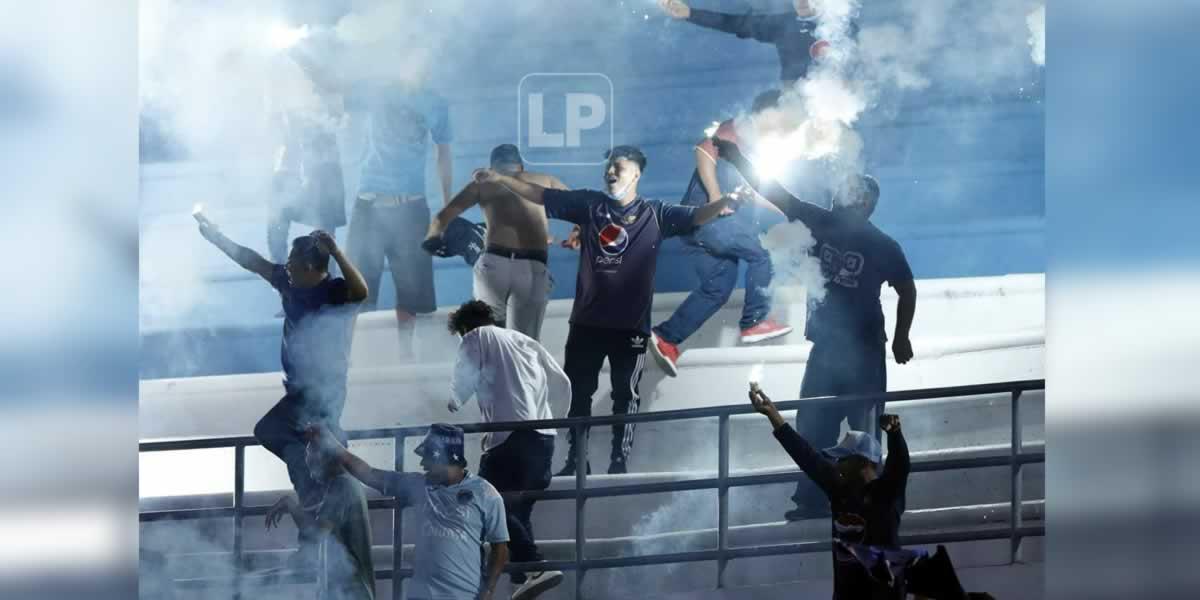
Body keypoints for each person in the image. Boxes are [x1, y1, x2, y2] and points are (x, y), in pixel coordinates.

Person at [474, 145, 744, 475]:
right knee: (578, 396)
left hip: (630, 328)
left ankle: (619, 462)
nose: (611, 172)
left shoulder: (656, 213)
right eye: (608, 167)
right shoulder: (590, 204)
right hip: (587, 323)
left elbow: (695, 216)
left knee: (625, 395)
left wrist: (722, 203)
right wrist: (501, 178)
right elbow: (539, 194)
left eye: (619, 166)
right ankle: (577, 461)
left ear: (636, 173)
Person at [715, 137, 917, 521]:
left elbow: (907, 288)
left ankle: (872, 506)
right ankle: (811, 501)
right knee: (813, 426)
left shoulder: (881, 244)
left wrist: (902, 336)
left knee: (866, 431)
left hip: (864, 351)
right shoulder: (820, 220)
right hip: (826, 347)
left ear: (867, 203)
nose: (844, 195)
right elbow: (773, 191)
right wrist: (740, 157)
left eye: (854, 193)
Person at [195, 215, 367, 553]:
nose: (285, 269)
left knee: (306, 443)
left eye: (292, 265)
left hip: (323, 392)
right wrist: (217, 237)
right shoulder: (289, 283)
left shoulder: (333, 291)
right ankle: (317, 510)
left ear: (310, 267)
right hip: (298, 391)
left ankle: (326, 520)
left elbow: (361, 290)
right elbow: (253, 261)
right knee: (286, 441)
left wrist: (336, 251)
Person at [294, 52, 454, 325]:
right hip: (369, 205)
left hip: (411, 206)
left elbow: (444, 155)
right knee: (356, 285)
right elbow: (335, 87)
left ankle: (407, 356)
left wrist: (448, 210)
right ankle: (353, 353)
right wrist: (305, 60)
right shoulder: (378, 90)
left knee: (412, 290)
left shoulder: (435, 104)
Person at [648, 90, 793, 377]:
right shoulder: (742, 127)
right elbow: (703, 150)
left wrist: (791, 211)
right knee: (762, 254)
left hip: (697, 231)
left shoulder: (753, 151)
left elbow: (752, 193)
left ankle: (666, 337)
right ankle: (754, 321)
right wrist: (715, 197)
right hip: (708, 219)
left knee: (718, 289)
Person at [446, 300, 569, 600]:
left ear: (465, 328)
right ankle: (522, 579)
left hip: (509, 438)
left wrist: (455, 399)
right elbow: (562, 381)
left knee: (483, 501)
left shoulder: (476, 337)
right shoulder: (526, 341)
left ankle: (535, 565)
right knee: (516, 513)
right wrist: (556, 422)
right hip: (543, 438)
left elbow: (463, 380)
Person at [311, 424, 510, 600]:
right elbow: (370, 474)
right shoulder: (418, 485)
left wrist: (488, 592)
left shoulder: (485, 494)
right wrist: (332, 444)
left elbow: (500, 548)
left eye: (427, 459)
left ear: (443, 459)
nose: (423, 465)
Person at [748, 383, 910, 599]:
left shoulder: (887, 492)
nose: (837, 464)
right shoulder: (840, 490)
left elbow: (900, 464)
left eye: (842, 458)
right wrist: (773, 415)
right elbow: (806, 456)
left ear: (862, 461)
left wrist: (895, 434)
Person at [425, 145, 569, 340]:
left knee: (490, 340)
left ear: (492, 167)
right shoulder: (544, 181)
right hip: (532, 266)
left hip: (494, 265)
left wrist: (432, 239)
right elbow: (581, 208)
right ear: (521, 166)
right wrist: (577, 233)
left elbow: (441, 218)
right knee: (524, 345)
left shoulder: (482, 183)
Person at [266, 432, 374, 600]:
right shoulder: (345, 485)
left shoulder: (342, 486)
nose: (311, 474)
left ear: (326, 459)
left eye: (312, 465)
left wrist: (290, 505)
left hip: (350, 592)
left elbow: (317, 532)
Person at [658, 0, 851, 86]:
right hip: (793, 103)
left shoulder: (843, 25)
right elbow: (734, 24)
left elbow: (862, 64)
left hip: (837, 103)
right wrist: (690, 14)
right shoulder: (782, 24)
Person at [267, 98, 348, 271]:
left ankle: (325, 281)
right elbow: (273, 118)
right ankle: (282, 276)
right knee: (276, 222)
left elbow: (339, 112)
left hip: (322, 164)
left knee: (324, 235)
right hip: (291, 162)